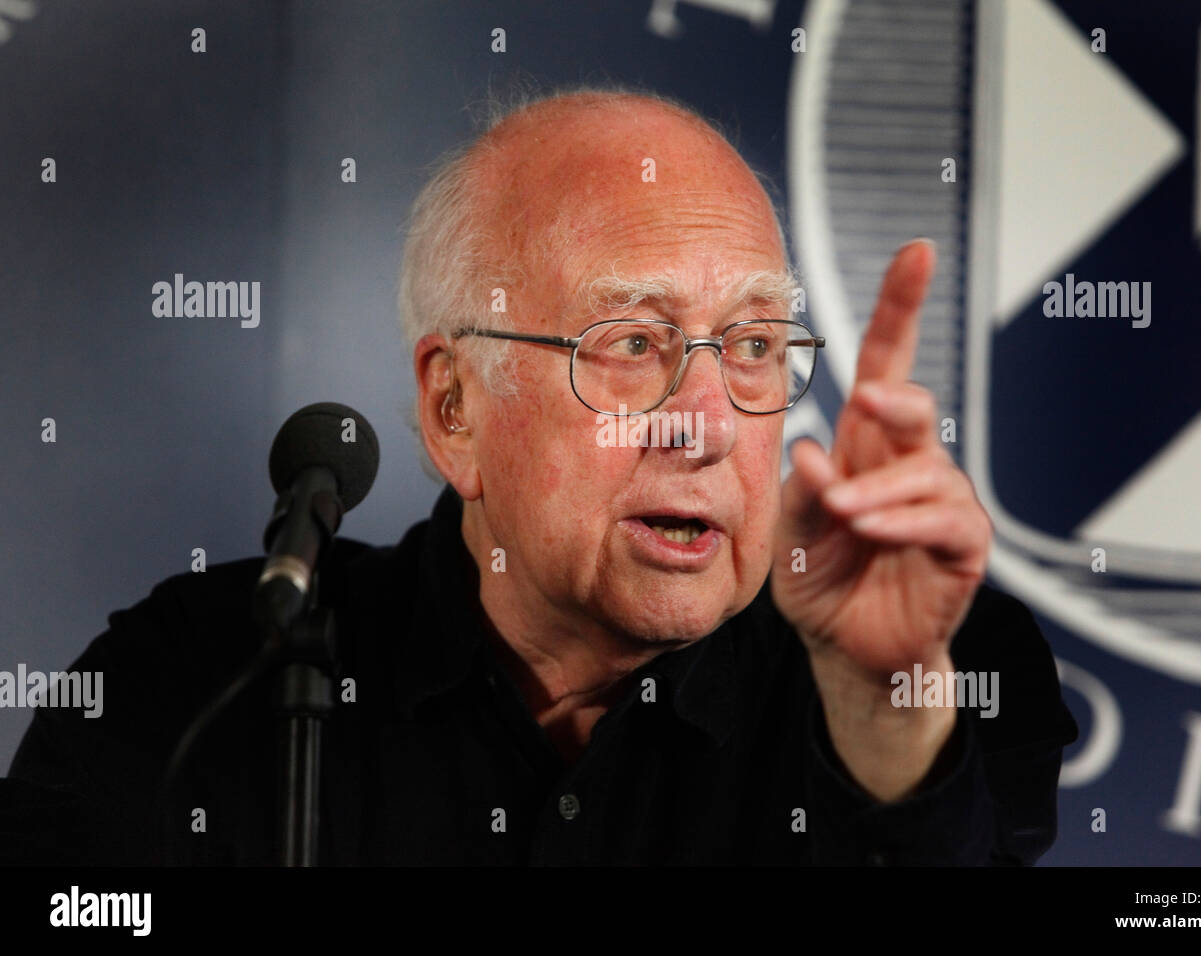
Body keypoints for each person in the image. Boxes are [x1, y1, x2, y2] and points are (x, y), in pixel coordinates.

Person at [3, 88, 1076, 865]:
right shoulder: (194, 681)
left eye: (753, 345)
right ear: (454, 409)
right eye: (630, 342)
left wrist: (883, 712)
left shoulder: (943, 673)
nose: (704, 423)